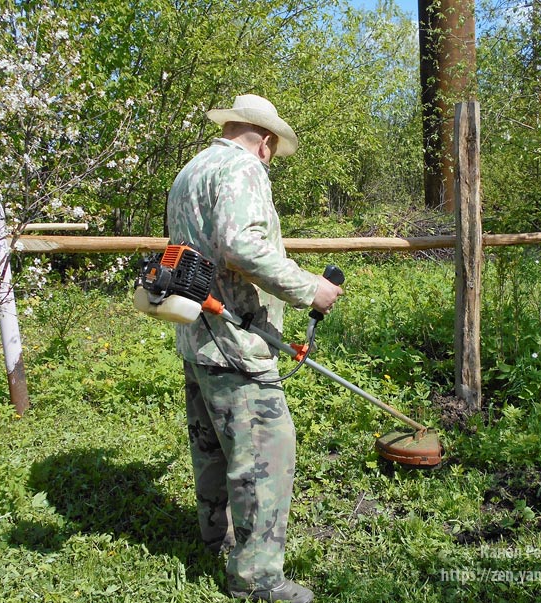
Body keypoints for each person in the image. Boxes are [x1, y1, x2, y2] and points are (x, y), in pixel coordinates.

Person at [166, 94, 342, 603]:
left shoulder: (191, 170)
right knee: (267, 452)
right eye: (271, 148)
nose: (270, 157)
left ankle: (213, 537)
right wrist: (310, 288)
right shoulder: (244, 169)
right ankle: (256, 579)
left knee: (212, 446)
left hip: (195, 335)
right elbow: (240, 245)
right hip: (237, 339)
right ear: (264, 141)